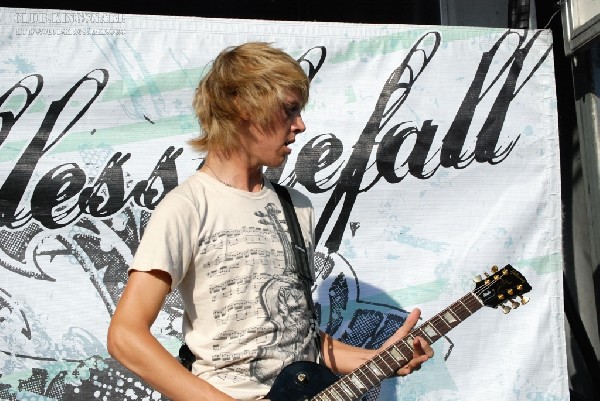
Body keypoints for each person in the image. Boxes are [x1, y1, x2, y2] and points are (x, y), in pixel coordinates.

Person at [107, 41, 433, 401]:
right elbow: (126, 336)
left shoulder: (297, 208)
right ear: (243, 108)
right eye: (290, 110)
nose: (300, 125)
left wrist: (376, 360)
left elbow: (296, 337)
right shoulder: (187, 207)